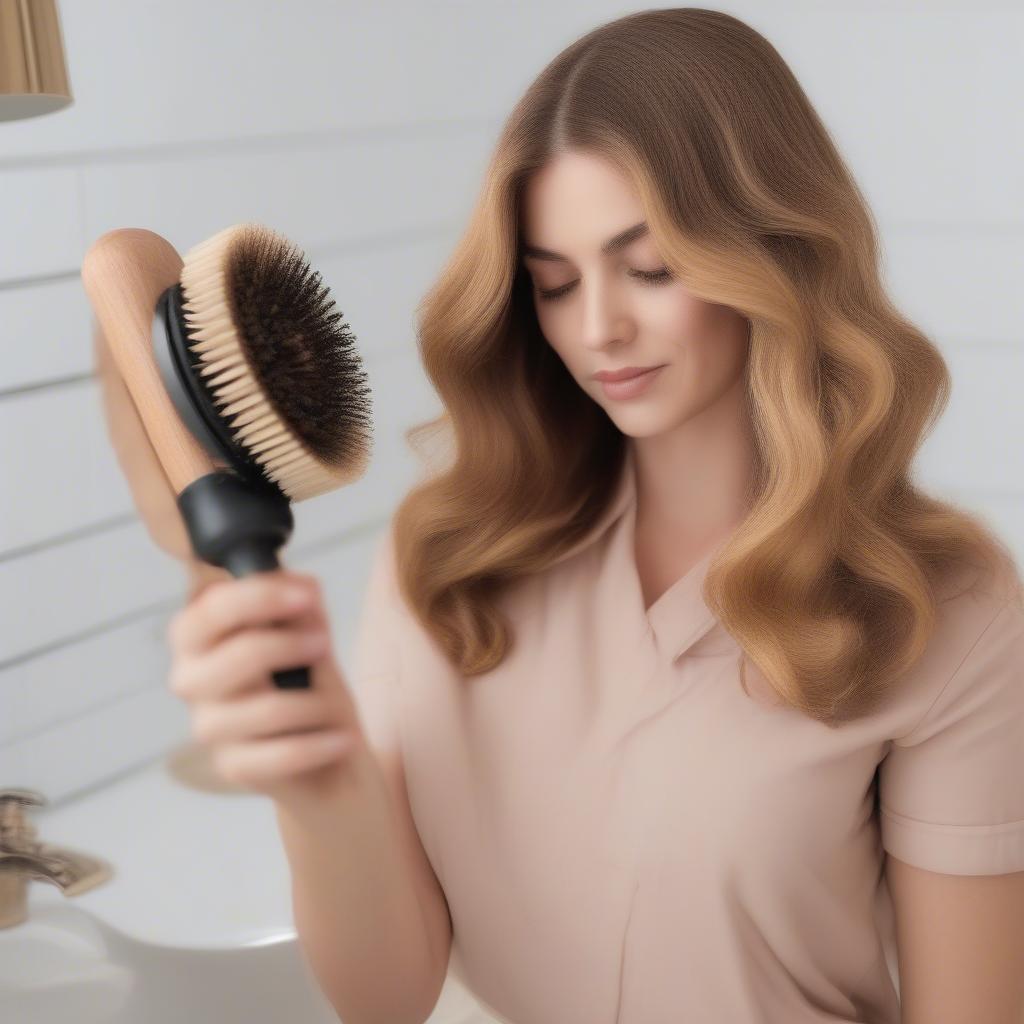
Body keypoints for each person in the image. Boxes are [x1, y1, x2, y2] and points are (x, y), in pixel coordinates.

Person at [169, 8, 1024, 1023]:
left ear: (777, 248)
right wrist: (319, 786)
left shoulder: (944, 609)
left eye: (651, 269)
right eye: (554, 284)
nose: (598, 329)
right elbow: (389, 994)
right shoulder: (447, 561)